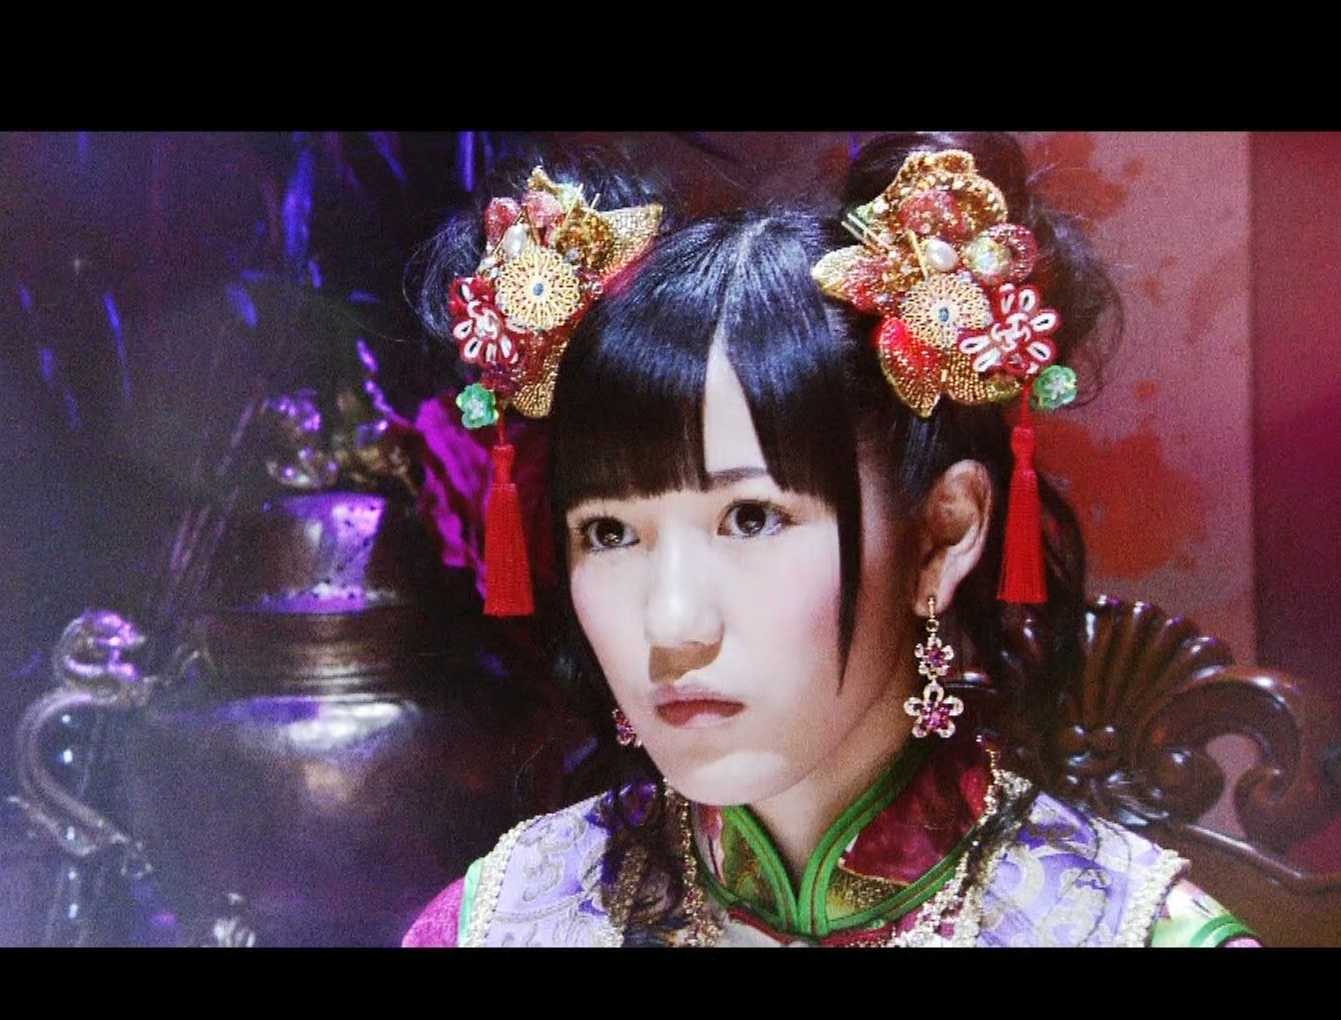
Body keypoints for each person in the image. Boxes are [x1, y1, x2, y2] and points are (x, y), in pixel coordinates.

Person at [399, 132, 1260, 947]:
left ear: (942, 535)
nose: (671, 622)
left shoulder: (1124, 928)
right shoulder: (502, 920)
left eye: (751, 518)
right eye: (611, 532)